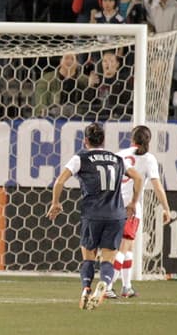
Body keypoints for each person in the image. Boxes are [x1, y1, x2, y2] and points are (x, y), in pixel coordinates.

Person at [47, 122, 142, 310]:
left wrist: (56, 203)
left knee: (88, 258)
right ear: (103, 140)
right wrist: (132, 203)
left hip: (93, 215)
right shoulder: (117, 158)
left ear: (85, 141)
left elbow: (60, 181)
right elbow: (138, 177)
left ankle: (85, 289)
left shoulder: (80, 158)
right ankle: (105, 284)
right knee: (108, 259)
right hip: (116, 216)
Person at [113, 125, 173, 299]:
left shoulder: (120, 154)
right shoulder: (148, 159)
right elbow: (157, 186)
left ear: (132, 139)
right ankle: (108, 286)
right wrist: (166, 208)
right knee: (123, 247)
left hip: (113, 204)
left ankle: (126, 287)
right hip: (131, 206)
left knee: (128, 246)